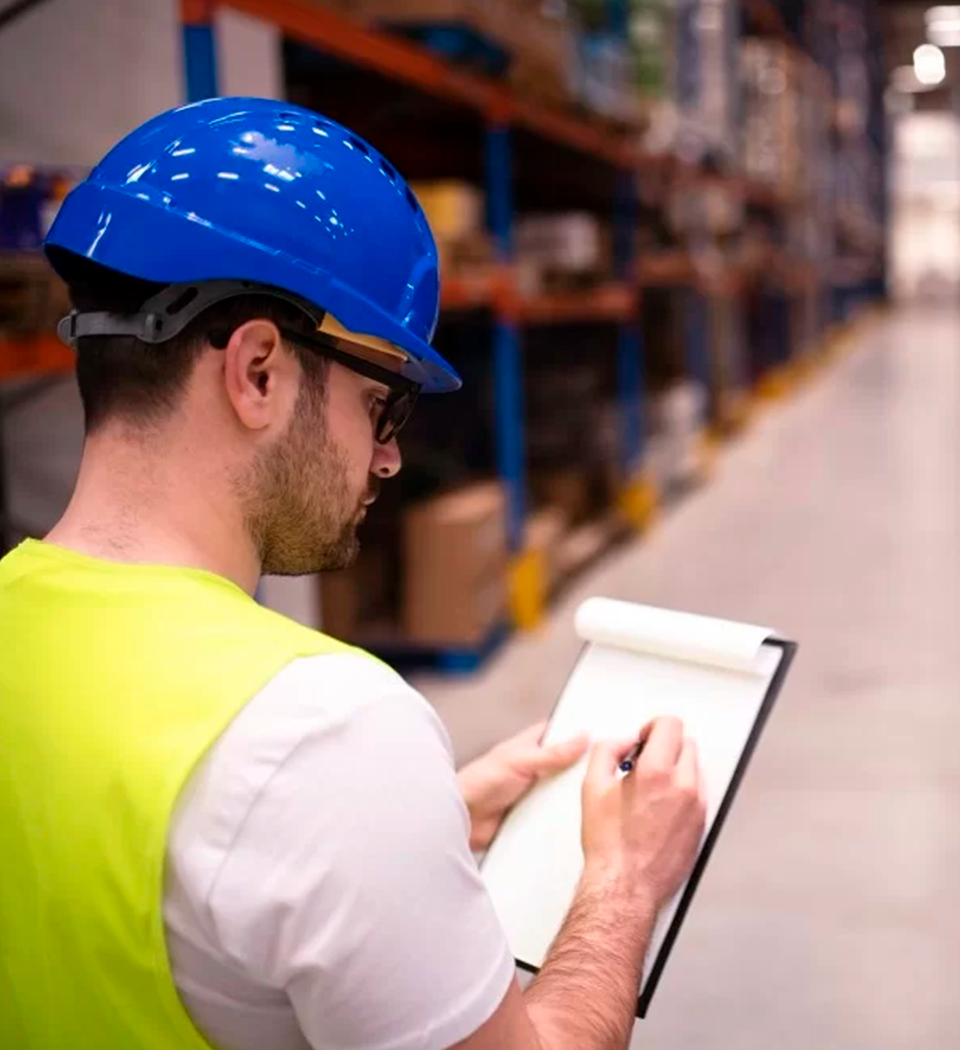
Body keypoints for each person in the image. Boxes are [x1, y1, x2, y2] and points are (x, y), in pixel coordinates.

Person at [0, 97, 706, 1050]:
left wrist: (410, 835)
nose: (388, 461)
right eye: (380, 404)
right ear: (257, 371)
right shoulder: (324, 732)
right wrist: (623, 884)